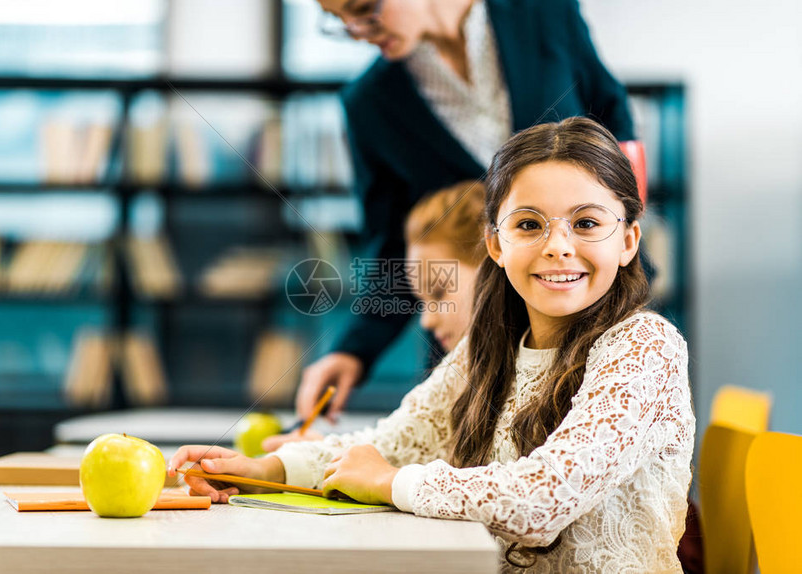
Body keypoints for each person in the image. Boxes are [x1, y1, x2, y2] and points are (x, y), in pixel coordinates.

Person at [169, 118, 694, 572]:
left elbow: (543, 499)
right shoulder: (490, 346)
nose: (558, 246)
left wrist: (392, 483)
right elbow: (394, 443)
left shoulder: (645, 345)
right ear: (495, 243)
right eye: (529, 224)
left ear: (628, 240)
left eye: (586, 223)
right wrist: (267, 471)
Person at [297, 0, 641, 422]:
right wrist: (353, 349)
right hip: (470, 343)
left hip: (589, 309)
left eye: (364, 9)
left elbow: (616, 129)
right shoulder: (369, 104)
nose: (355, 30)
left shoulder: (543, 12)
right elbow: (389, 247)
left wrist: (617, 241)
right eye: (338, 20)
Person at [262, 181, 486, 452]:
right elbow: (400, 444)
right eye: (421, 301)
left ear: (496, 262)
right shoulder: (452, 380)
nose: (426, 321)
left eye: (438, 293)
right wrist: (313, 455)